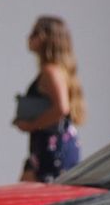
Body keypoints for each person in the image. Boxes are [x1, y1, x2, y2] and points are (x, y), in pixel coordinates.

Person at [13, 14, 84, 182]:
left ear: (47, 38)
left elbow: (62, 108)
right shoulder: (58, 71)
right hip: (49, 146)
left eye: (35, 33)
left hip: (51, 148)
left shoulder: (51, 72)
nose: (29, 37)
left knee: (31, 200)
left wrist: (31, 125)